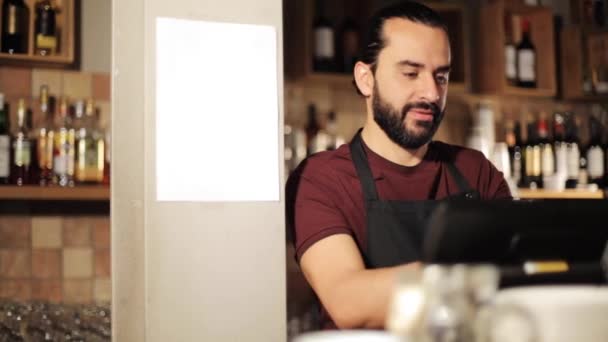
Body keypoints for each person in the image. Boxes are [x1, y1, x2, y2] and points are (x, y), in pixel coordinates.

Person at [286, 0, 512, 331]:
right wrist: (480, 274)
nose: (432, 93)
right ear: (366, 79)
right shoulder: (321, 179)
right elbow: (349, 302)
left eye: (441, 76)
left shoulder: (476, 171)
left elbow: (522, 275)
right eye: (410, 73)